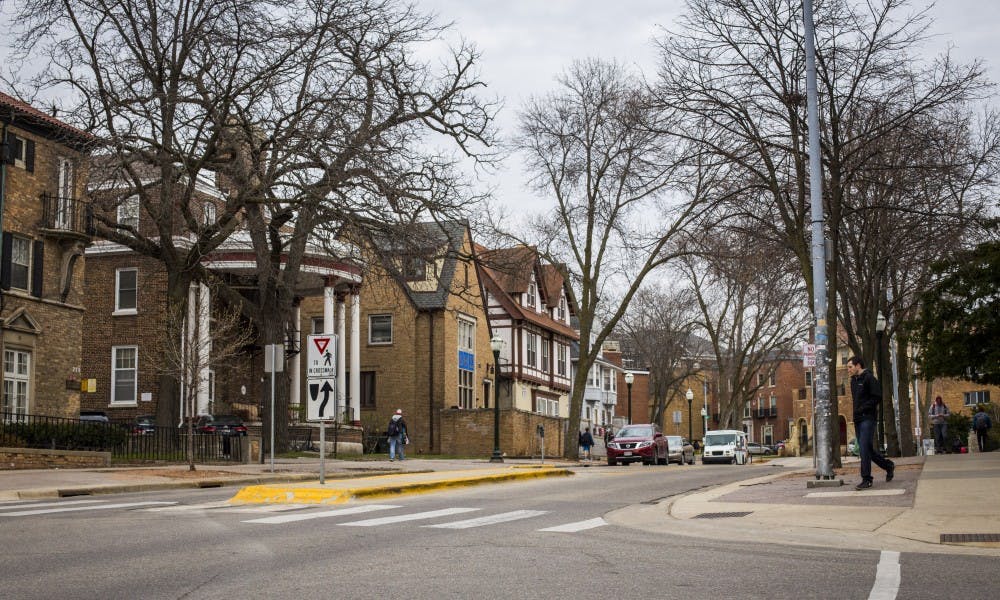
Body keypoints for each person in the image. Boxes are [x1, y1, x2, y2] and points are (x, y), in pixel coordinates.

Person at [848, 356, 894, 490]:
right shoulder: (853, 381)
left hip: (868, 418)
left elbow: (877, 396)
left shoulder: (869, 378)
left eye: (850, 367)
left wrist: (864, 408)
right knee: (867, 449)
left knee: (863, 448)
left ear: (858, 366)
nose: (849, 370)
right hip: (858, 419)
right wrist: (856, 413)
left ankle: (867, 479)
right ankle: (888, 466)